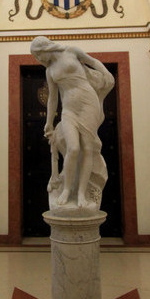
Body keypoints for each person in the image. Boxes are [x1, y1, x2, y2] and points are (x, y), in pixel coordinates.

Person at [30, 36, 114, 209]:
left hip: (88, 103)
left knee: (88, 149)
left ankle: (81, 193)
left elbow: (93, 62)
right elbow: (53, 98)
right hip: (69, 110)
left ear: (44, 50)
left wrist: (105, 72)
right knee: (73, 148)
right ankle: (67, 189)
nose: (38, 60)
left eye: (37, 55)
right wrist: (49, 122)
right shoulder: (49, 70)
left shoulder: (72, 51)